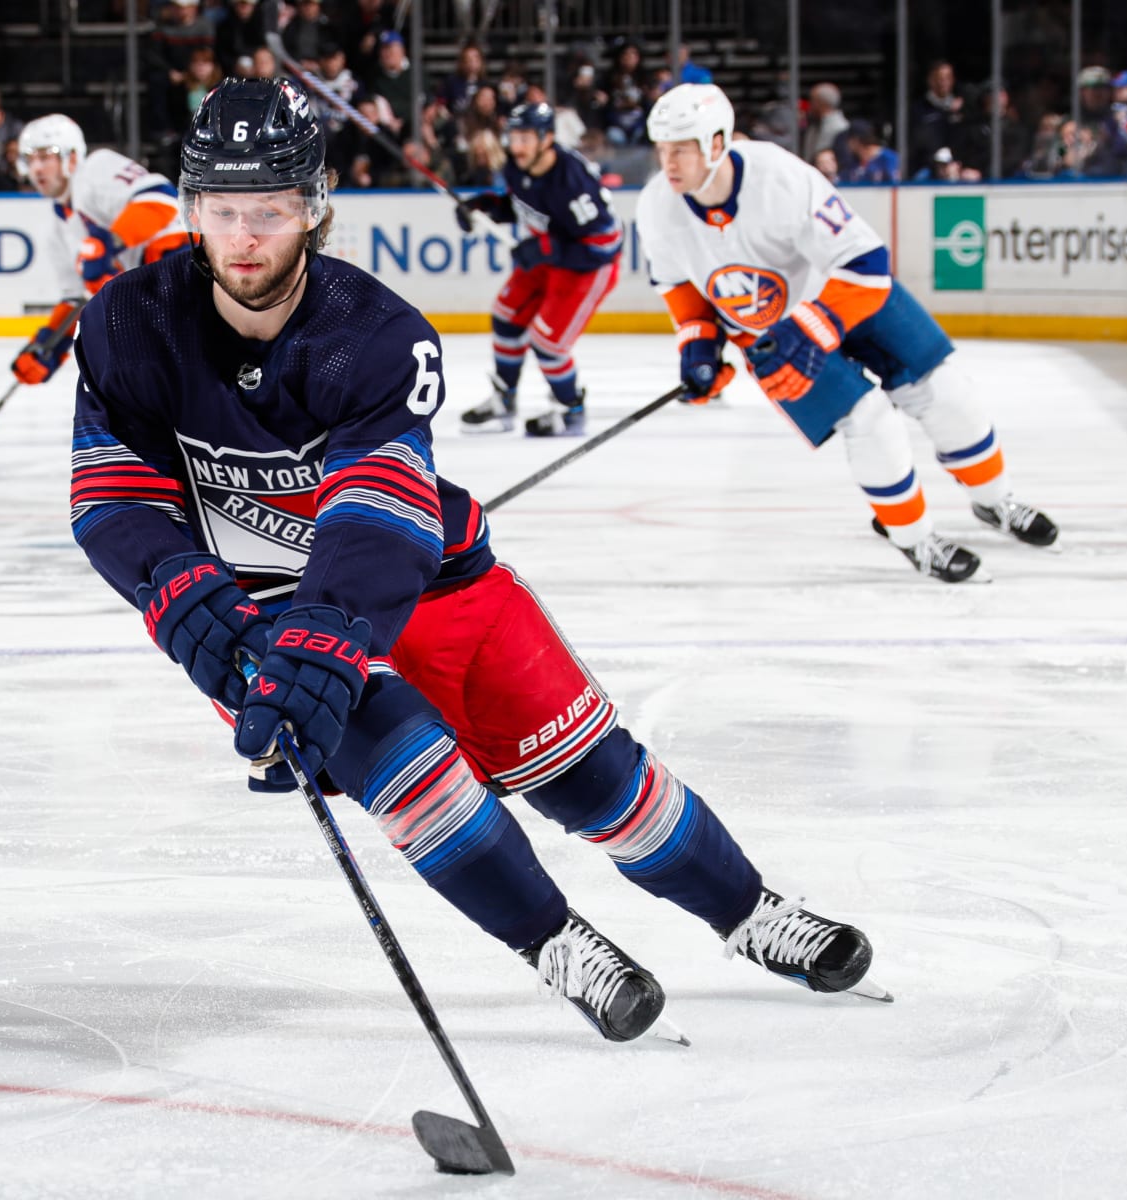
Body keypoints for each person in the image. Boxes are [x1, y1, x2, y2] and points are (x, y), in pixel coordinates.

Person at [68, 77, 883, 1045]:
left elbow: (381, 509)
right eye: (224, 210)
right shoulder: (128, 322)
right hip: (261, 615)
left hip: (423, 587)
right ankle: (555, 943)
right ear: (193, 206)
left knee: (594, 780)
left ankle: (749, 915)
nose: (245, 237)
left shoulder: (372, 334)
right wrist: (180, 593)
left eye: (272, 211)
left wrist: (330, 627)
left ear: (314, 206)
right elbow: (112, 489)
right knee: (413, 778)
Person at [636, 83, 1059, 582]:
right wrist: (699, 349)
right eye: (662, 149)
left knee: (947, 394)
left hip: (847, 297)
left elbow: (867, 265)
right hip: (771, 338)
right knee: (870, 421)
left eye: (681, 148)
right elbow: (681, 291)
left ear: (716, 142)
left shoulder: (780, 177)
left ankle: (995, 502)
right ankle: (915, 539)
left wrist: (812, 325)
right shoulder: (656, 208)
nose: (669, 162)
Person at [454, 100, 622, 437]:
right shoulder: (520, 166)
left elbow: (602, 243)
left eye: (526, 138)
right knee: (506, 314)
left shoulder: (573, 179)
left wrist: (544, 247)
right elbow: (523, 206)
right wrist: (485, 205)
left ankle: (571, 409)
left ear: (546, 139)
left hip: (588, 266)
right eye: (513, 138)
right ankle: (505, 400)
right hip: (552, 255)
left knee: (548, 343)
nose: (517, 147)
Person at [9, 113, 188, 388]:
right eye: (30, 160)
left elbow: (160, 198)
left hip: (184, 265)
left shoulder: (95, 168)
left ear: (70, 157)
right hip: (151, 298)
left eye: (45, 157)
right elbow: (74, 301)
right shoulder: (57, 230)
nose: (36, 169)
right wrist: (47, 347)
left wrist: (109, 242)